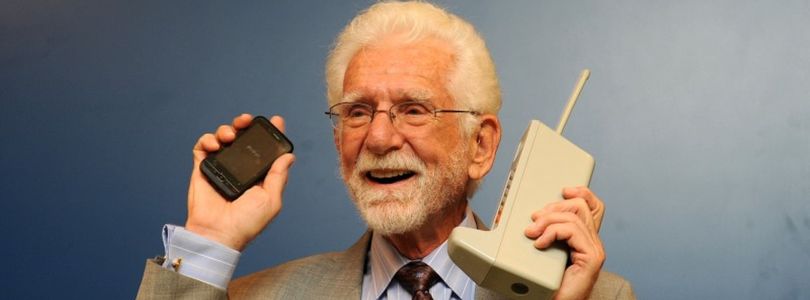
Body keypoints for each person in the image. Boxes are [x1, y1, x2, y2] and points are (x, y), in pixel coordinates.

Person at [136, 1, 634, 299]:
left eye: (414, 109)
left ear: (480, 145)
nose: (377, 138)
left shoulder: (595, 297)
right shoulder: (247, 297)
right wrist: (208, 240)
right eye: (356, 112)